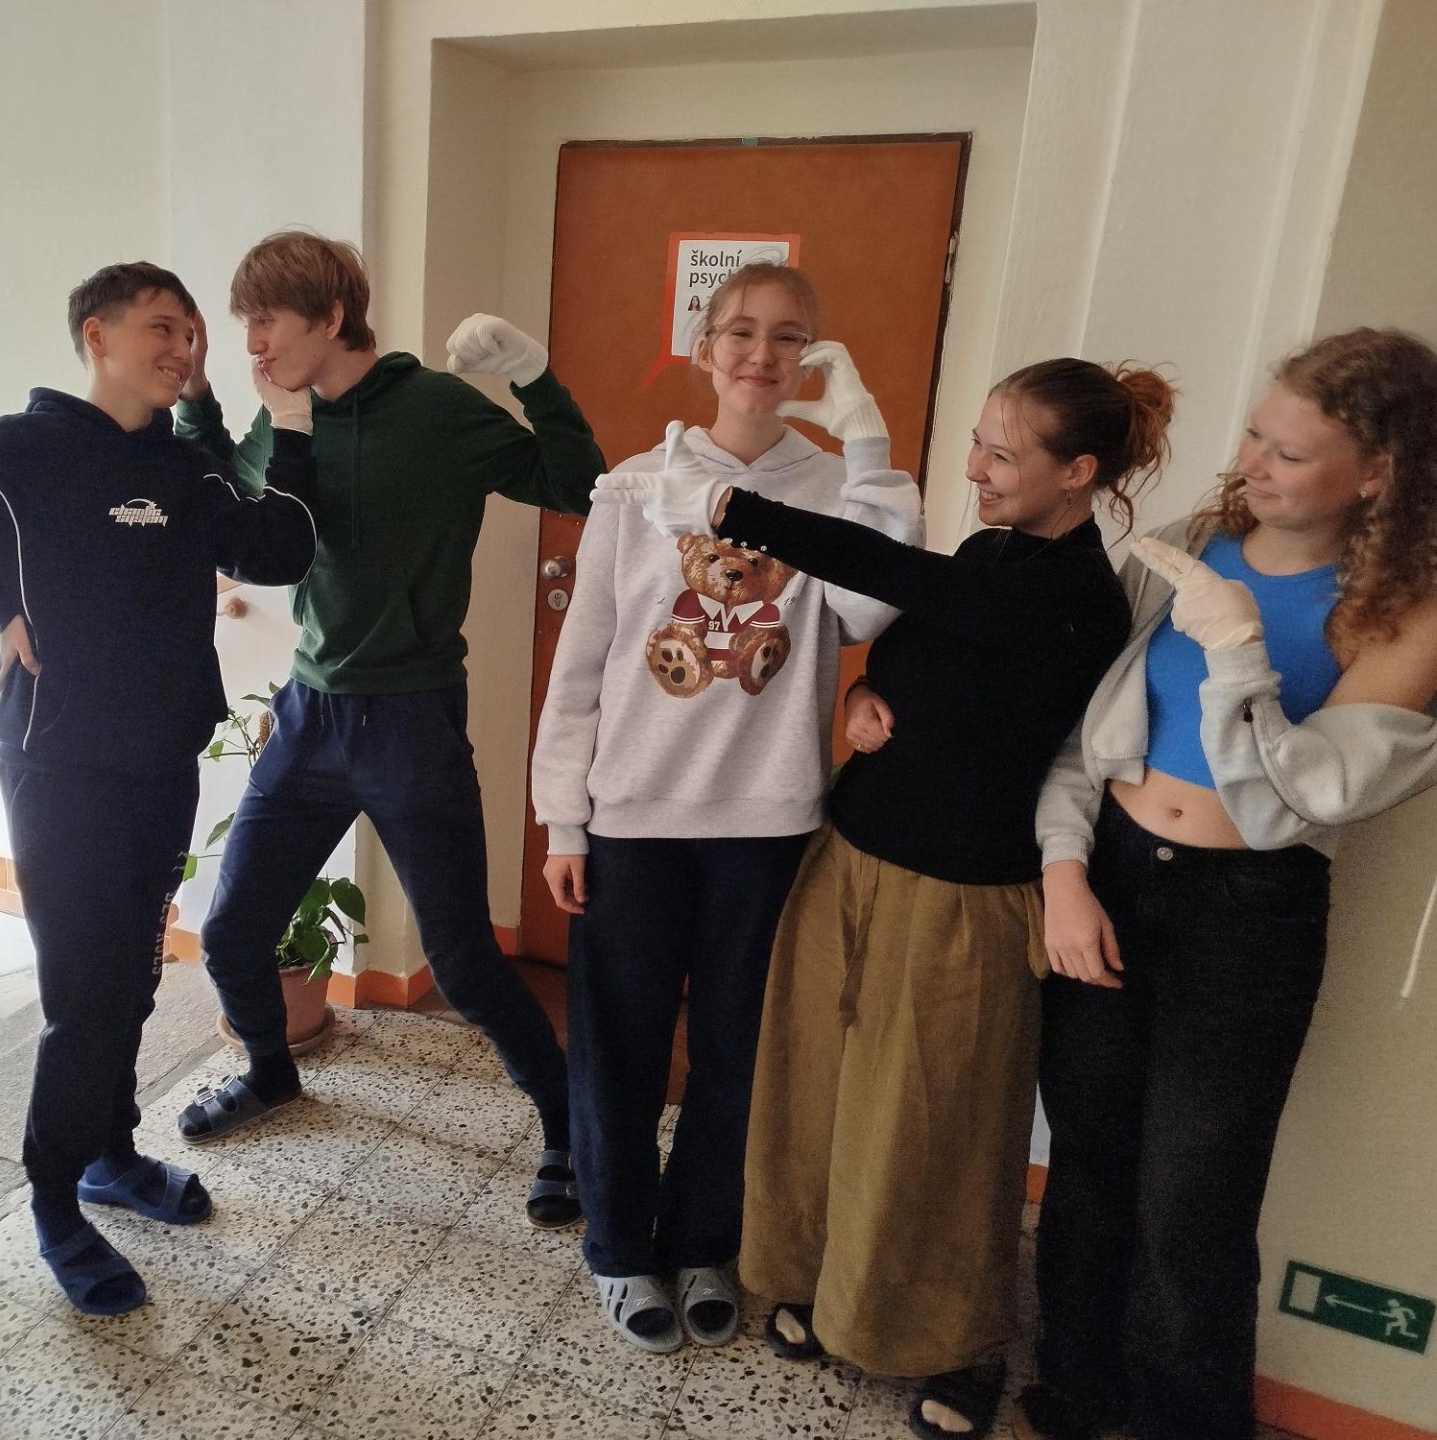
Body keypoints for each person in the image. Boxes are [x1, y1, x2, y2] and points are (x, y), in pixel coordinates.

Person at [599, 355, 1174, 1434]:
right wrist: (865, 694)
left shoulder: (1075, 596)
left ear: (1078, 472)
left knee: (938, 1129)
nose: (975, 468)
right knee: (821, 1094)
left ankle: (960, 1345)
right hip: (851, 858)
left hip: (963, 897)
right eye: (978, 444)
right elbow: (911, 649)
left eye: (1002, 455)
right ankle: (826, 1289)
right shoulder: (992, 550)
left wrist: (730, 508)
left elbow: (902, 577)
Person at [0, 262, 316, 1316]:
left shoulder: (186, 466)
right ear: (96, 335)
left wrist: (277, 420)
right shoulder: (18, 453)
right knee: (84, 995)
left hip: (162, 759)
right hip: (58, 764)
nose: (181, 348)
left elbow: (281, 548)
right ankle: (55, 1200)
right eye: (161, 328)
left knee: (134, 975)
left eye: (190, 333)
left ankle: (111, 1154)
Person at [1021, 328, 1437, 1440]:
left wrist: (1240, 652)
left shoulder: (1404, 611)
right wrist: (1064, 875)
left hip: (1247, 916)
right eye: (1256, 433)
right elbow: (1085, 740)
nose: (1251, 462)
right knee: (1088, 1164)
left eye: (1289, 453)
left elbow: (1299, 803)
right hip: (1109, 877)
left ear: (1379, 473)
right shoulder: (1191, 547)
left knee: (1193, 1204)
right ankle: (1074, 1394)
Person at [168, 230, 606, 1227]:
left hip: (412, 721)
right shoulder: (286, 420)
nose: (254, 343)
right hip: (308, 717)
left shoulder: (438, 411)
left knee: (464, 964)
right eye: (245, 325)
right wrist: (197, 402)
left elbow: (579, 483)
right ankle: (271, 1073)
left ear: (331, 318)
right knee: (230, 931)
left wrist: (534, 375)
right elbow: (226, 502)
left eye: (268, 321)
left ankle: (566, 1124)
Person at [531, 262, 922, 1352]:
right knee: (620, 1046)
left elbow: (871, 610)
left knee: (740, 1052)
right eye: (740, 332)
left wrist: (871, 449)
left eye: (788, 337)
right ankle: (619, 1244)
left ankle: (706, 1234)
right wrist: (564, 819)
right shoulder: (631, 487)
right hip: (634, 823)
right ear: (703, 350)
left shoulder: (836, 486)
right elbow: (583, 660)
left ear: (813, 359)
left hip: (769, 825)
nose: (762, 354)